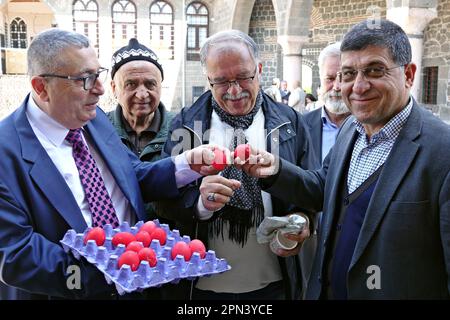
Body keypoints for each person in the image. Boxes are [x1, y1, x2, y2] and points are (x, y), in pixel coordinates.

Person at [242, 19, 450, 299]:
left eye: (375, 70)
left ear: (409, 75)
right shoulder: (351, 129)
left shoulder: (442, 152)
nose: (359, 86)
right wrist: (274, 170)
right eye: (349, 74)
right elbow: (322, 188)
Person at [0, 28, 213, 300]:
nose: (100, 90)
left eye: (97, 74)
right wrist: (107, 276)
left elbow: (130, 175)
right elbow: (17, 254)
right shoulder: (5, 151)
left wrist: (184, 165)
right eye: (84, 80)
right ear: (42, 88)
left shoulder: (92, 117)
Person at [158, 30, 314, 300]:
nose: (234, 90)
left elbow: (311, 191)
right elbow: (162, 201)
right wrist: (199, 204)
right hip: (201, 289)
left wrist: (301, 220)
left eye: (243, 77)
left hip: (274, 285)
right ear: (208, 79)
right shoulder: (185, 126)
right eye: (221, 81)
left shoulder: (290, 123)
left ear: (260, 70)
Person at [300, 42, 351, 297]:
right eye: (330, 78)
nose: (337, 86)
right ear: (320, 80)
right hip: (308, 238)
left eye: (345, 77)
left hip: (350, 241)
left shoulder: (367, 128)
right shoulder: (300, 125)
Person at [107, 38, 175, 219]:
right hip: (116, 240)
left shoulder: (181, 128)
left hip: (169, 241)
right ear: (114, 88)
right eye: (131, 84)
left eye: (150, 84)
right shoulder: (99, 130)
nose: (142, 94)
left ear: (160, 86)